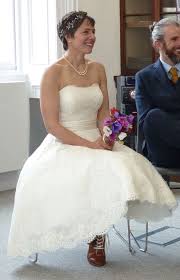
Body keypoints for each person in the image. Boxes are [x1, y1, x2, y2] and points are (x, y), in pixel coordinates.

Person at [8, 11, 176, 267]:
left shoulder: (98, 68)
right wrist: (89, 145)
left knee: (121, 167)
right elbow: (52, 126)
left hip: (96, 137)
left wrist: (108, 136)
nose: (92, 37)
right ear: (68, 36)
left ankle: (98, 234)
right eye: (86, 32)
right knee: (88, 171)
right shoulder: (52, 73)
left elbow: (103, 116)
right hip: (65, 140)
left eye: (93, 31)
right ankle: (93, 234)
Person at [135, 18, 180, 168]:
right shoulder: (144, 77)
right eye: (174, 39)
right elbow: (145, 124)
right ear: (158, 44)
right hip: (164, 149)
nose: (179, 43)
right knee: (153, 116)